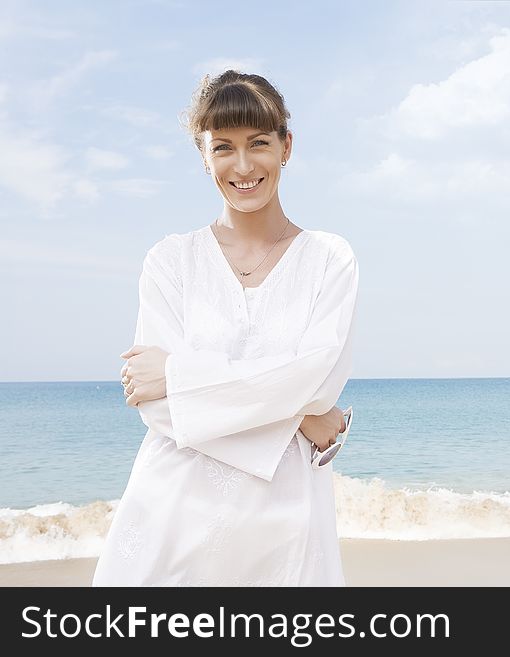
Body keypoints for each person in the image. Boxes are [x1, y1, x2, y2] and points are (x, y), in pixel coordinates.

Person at [91, 70, 359, 586]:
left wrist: (180, 374)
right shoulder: (171, 260)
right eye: (223, 147)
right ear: (202, 155)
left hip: (285, 514)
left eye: (258, 143)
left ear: (287, 146)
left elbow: (318, 380)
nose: (242, 166)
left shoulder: (329, 258)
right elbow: (155, 403)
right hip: (171, 513)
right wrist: (301, 418)